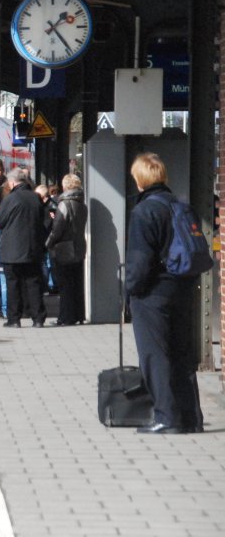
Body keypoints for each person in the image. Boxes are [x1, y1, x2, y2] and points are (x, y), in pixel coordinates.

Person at [125, 153, 204, 434]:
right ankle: (191, 418)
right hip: (183, 287)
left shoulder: (144, 211)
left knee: (155, 355)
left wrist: (130, 292)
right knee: (183, 353)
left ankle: (166, 418)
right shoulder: (180, 206)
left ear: (140, 180)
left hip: (153, 293)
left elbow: (140, 260)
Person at [0, 166, 47, 327]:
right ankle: (38, 319)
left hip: (12, 250)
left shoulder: (11, 199)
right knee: (33, 283)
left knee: (13, 284)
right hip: (33, 248)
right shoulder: (36, 198)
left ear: (13, 182)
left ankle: (14, 319)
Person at [47, 174, 87, 326]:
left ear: (65, 186)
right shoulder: (81, 204)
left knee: (65, 285)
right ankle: (78, 315)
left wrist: (48, 243)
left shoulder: (64, 204)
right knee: (77, 282)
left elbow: (57, 229)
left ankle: (65, 317)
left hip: (64, 248)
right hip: (79, 246)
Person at [35, 184, 58, 293]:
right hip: (48, 238)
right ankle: (51, 285)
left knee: (47, 263)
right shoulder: (51, 205)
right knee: (49, 263)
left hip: (47, 238)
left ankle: (50, 285)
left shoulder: (50, 207)